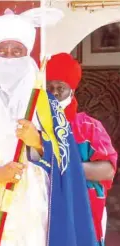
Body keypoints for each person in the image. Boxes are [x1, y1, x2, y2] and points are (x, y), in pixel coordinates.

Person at [0, 8, 97, 246]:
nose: (9, 58)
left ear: (28, 57)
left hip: (37, 210)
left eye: (17, 52)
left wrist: (38, 142)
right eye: (1, 52)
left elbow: (69, 170)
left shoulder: (47, 105)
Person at [46, 53, 118, 246]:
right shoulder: (34, 126)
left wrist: (65, 167)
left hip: (83, 212)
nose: (54, 93)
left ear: (72, 91)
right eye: (49, 88)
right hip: (43, 212)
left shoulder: (89, 127)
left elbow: (108, 169)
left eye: (60, 88)